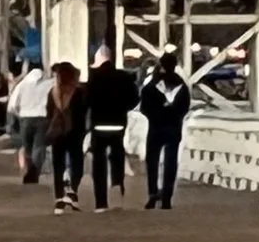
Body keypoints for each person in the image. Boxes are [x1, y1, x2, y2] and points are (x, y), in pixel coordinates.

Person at [81, 44, 137, 213]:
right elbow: (134, 99)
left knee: (99, 163)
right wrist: (123, 108)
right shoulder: (124, 77)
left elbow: (86, 101)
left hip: (99, 124)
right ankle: (117, 193)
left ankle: (101, 202)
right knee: (117, 159)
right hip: (118, 123)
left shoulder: (94, 78)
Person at [138, 50, 190, 210]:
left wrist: (156, 115)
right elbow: (185, 107)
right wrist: (174, 115)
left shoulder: (153, 84)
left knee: (152, 161)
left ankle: (152, 193)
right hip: (174, 128)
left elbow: (144, 107)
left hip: (155, 128)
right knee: (170, 161)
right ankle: (167, 197)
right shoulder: (181, 84)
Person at [44, 61, 86, 210]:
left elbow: (48, 113)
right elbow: (83, 114)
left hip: (57, 133)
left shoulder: (53, 92)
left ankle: (58, 198)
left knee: (58, 165)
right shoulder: (79, 92)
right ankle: (72, 191)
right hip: (75, 132)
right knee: (77, 163)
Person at [10, 55, 51, 185]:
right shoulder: (49, 83)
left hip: (25, 118)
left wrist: (19, 115)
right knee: (39, 146)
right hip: (42, 118)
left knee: (27, 147)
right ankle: (34, 172)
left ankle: (30, 170)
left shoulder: (22, 85)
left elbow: (12, 105)